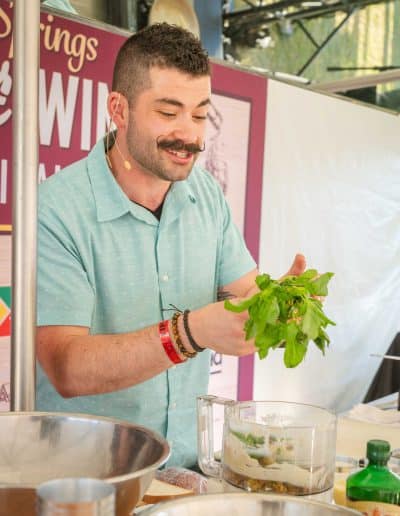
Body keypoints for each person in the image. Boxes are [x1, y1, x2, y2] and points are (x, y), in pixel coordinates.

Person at [36, 23, 306, 467]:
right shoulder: (56, 209)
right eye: (168, 112)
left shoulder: (206, 194)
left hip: (184, 470)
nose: (191, 136)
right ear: (118, 110)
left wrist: (281, 305)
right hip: (85, 481)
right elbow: (66, 367)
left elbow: (245, 294)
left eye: (199, 115)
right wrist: (189, 333)